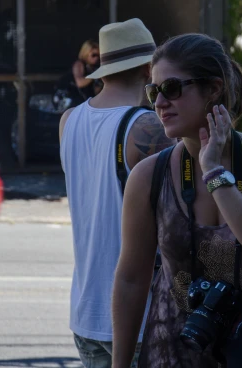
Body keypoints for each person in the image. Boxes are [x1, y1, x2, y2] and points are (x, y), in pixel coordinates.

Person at [111, 33, 242, 368]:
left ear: (214, 89)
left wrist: (212, 171)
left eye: (172, 88)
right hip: (177, 353)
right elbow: (131, 278)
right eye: (154, 92)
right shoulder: (149, 176)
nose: (160, 103)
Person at [59, 19, 176, 368]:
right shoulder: (147, 127)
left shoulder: (69, 120)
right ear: (148, 68)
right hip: (139, 317)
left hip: (85, 313)